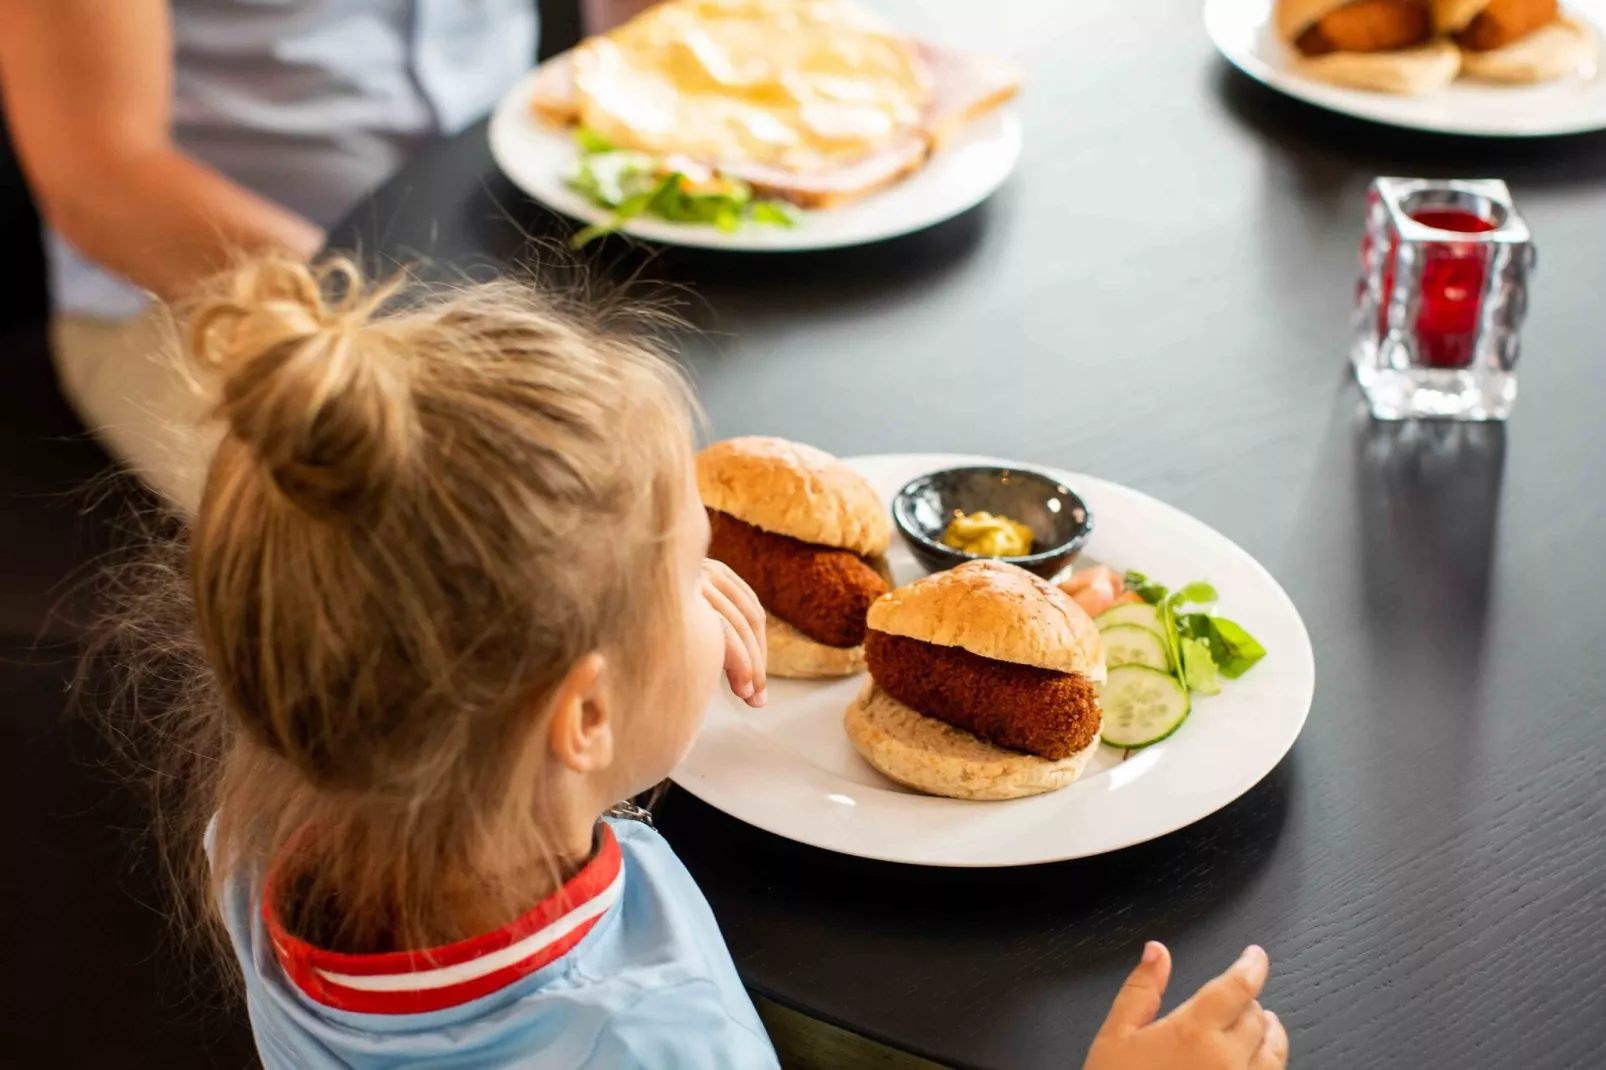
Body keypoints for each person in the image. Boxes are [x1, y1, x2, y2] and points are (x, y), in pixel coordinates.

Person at [119, 253, 1288, 1068]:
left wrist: (641, 658)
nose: (719, 586)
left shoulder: (268, 831)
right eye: (689, 570)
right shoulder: (655, 1040)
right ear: (575, 715)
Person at [0, 0, 654, 512]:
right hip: (204, 291)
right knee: (461, 523)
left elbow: (656, 29)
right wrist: (405, 314)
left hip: (506, 224)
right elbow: (98, 178)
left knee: (668, 465)